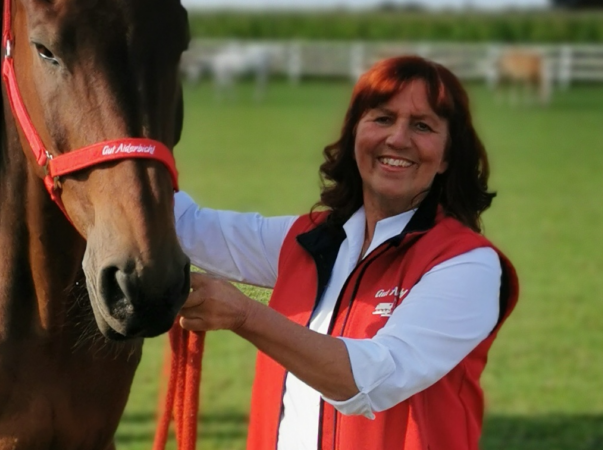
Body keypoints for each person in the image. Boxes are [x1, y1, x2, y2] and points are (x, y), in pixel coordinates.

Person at [174, 55, 518, 450]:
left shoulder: (468, 264)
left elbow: (370, 383)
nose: (398, 139)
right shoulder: (309, 239)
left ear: (445, 158)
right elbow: (188, 228)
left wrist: (245, 316)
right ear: (356, 133)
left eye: (422, 125)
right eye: (382, 118)